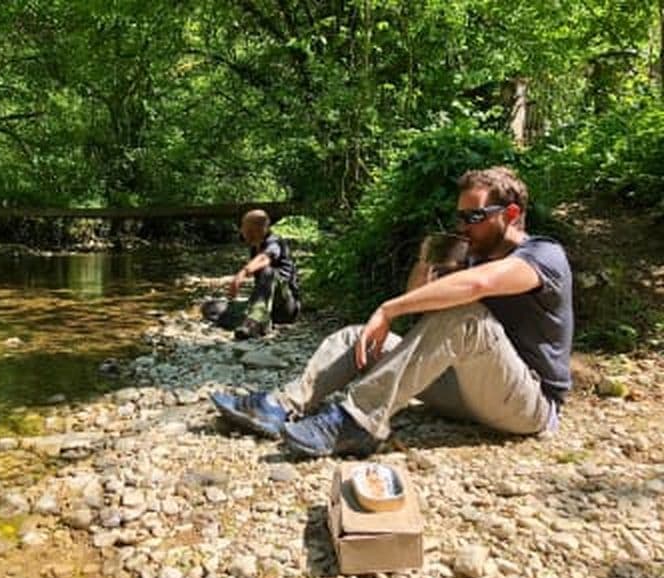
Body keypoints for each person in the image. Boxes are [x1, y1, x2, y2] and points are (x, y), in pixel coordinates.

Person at [211, 167, 573, 457]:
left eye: (474, 216)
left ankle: (355, 422)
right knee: (357, 337)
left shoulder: (544, 256)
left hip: (527, 405)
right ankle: (282, 406)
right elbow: (420, 301)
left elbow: (477, 288)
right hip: (465, 391)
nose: (463, 225)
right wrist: (426, 259)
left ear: (510, 215)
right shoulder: (473, 255)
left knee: (466, 315)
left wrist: (389, 309)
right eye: (460, 216)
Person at [224, 209, 300, 339]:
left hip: (286, 307)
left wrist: (241, 274)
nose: (242, 230)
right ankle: (255, 319)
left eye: (245, 227)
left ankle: (254, 324)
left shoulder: (275, 242)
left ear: (256, 229)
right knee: (214, 308)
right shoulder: (255, 247)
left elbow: (265, 259)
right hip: (266, 305)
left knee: (268, 271)